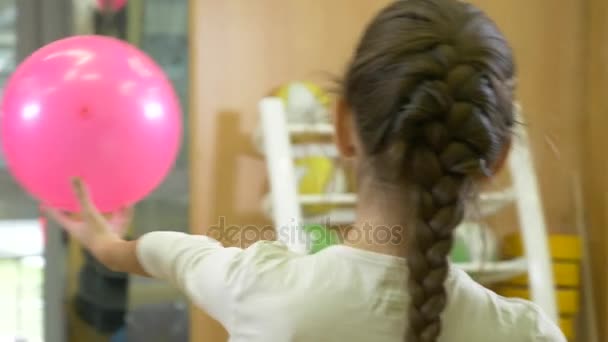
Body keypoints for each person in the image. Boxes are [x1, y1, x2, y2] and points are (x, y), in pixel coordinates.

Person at [46, 1, 567, 341]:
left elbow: (175, 254)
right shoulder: (530, 334)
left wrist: (106, 244)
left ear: (340, 127)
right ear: (495, 161)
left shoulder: (264, 289)